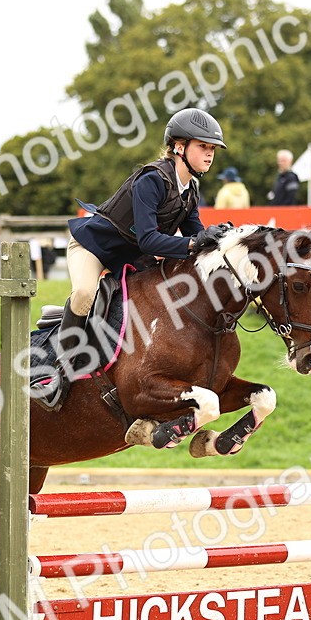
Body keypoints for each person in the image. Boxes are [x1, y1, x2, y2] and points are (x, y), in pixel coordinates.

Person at [41, 107, 230, 409]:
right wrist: (194, 244)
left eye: (212, 150)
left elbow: (195, 233)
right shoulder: (151, 180)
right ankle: (57, 374)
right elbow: (149, 239)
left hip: (129, 257)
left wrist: (218, 239)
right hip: (93, 247)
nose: (210, 155)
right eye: (203, 147)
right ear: (179, 147)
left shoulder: (190, 190)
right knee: (84, 293)